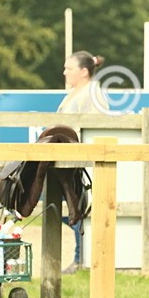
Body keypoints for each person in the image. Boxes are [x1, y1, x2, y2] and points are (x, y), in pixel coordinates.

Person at [56, 51, 104, 271]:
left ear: (84, 72)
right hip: (69, 160)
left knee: (79, 210)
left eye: (69, 68)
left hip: (82, 162)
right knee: (69, 209)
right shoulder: (76, 92)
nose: (64, 72)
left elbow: (97, 126)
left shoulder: (91, 94)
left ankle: (81, 259)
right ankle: (80, 257)